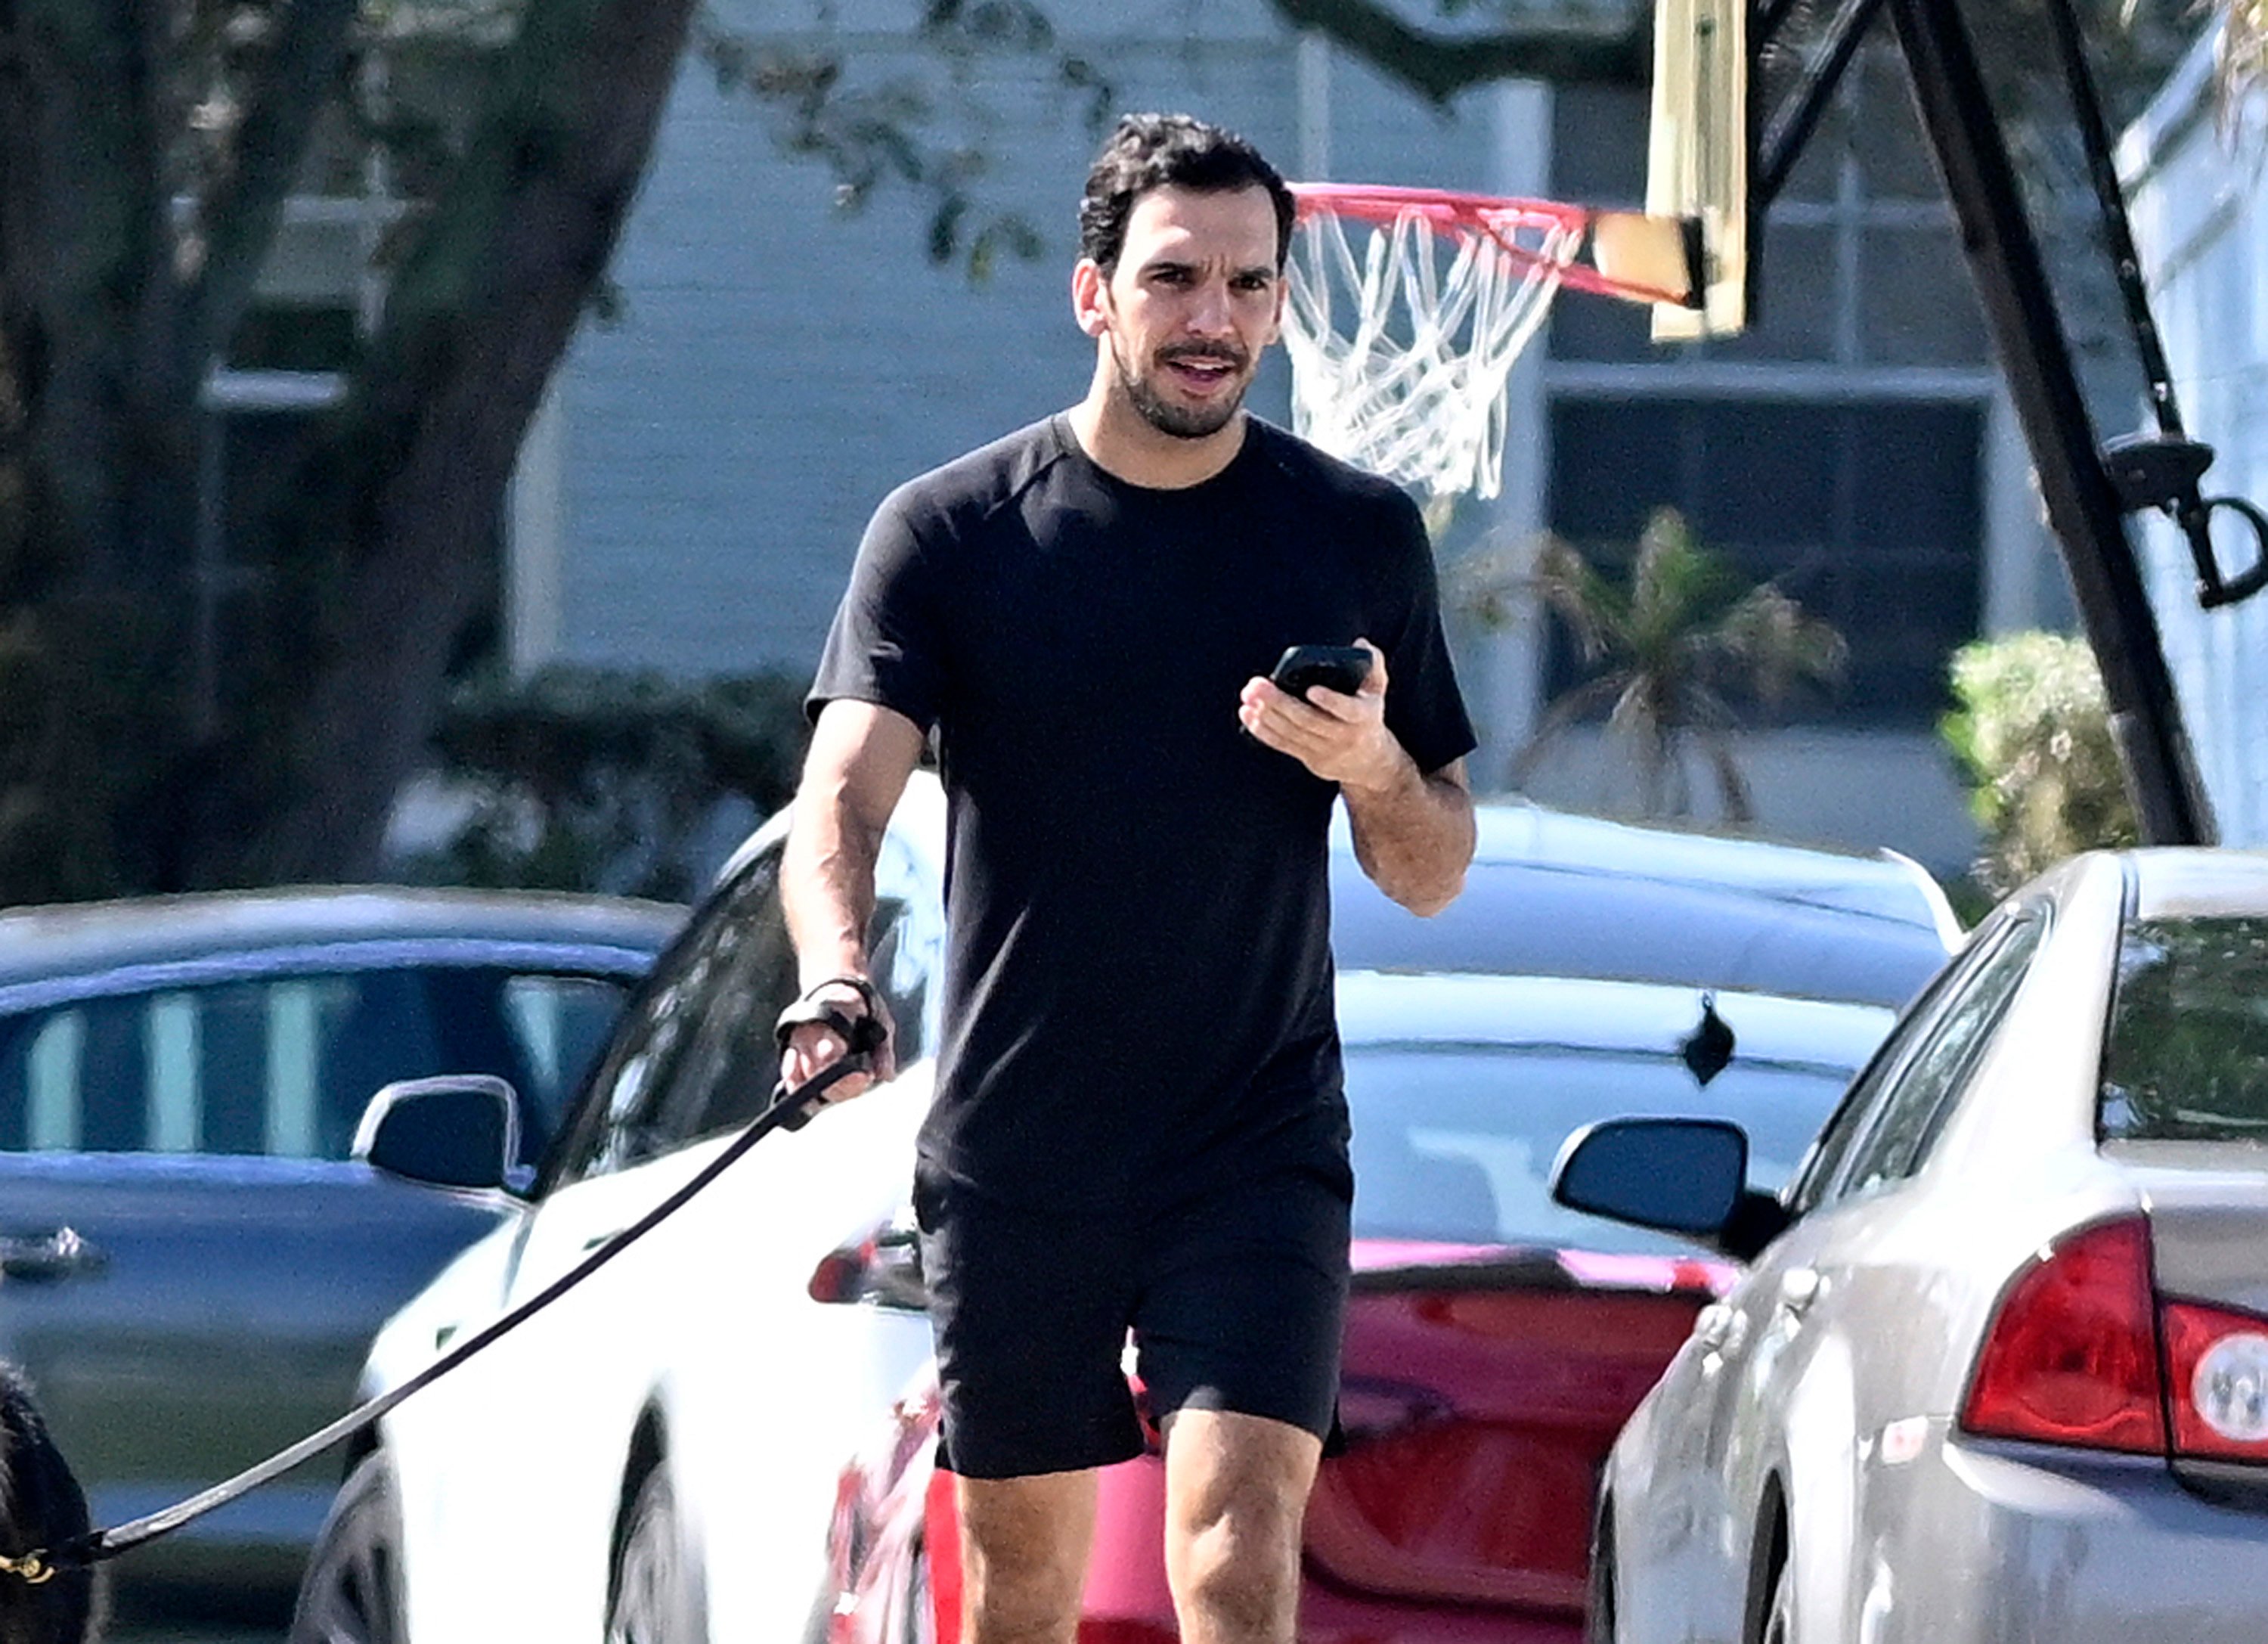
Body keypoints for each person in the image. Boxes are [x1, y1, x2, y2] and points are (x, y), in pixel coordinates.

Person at [779, 112, 1477, 1644]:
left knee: (1234, 1552)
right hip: (1022, 1146)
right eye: (1175, 280)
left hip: (1255, 1137)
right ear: (1094, 294)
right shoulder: (952, 535)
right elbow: (843, 788)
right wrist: (838, 976)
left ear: (1284, 299)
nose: (1214, 319)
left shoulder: (1352, 537)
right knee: (1022, 1586)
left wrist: (1365, 762)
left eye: (1247, 283)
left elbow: (1433, 866)